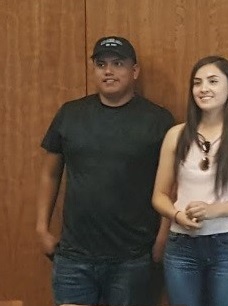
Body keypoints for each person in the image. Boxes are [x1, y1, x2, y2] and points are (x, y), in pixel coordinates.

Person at [36, 36, 175, 306]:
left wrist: (163, 238)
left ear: (134, 71)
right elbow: (50, 174)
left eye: (117, 63)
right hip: (74, 257)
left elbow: (172, 184)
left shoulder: (158, 120)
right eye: (101, 64)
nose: (108, 71)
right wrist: (42, 228)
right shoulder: (70, 114)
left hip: (133, 258)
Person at [151, 55, 228, 306]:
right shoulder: (176, 135)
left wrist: (214, 211)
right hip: (181, 245)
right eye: (197, 83)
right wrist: (177, 215)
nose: (203, 88)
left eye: (213, 81)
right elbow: (159, 196)